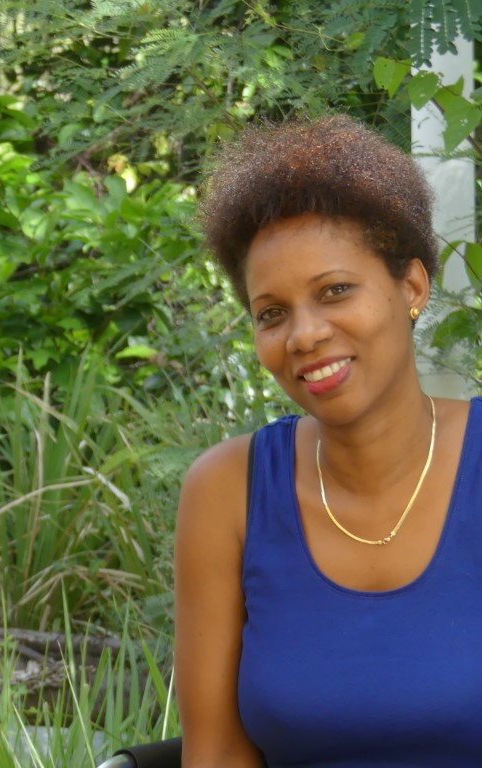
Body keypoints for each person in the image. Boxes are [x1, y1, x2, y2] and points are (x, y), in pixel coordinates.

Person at [175, 115, 482, 767]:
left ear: (412, 287)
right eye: (272, 313)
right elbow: (217, 753)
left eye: (335, 291)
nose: (305, 335)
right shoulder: (229, 492)